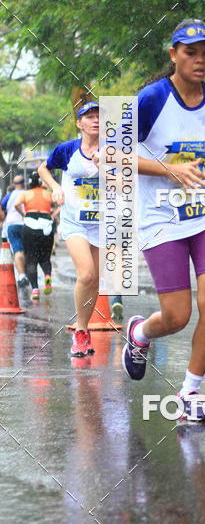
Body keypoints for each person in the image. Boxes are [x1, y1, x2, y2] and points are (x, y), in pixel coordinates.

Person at [121, 19, 205, 422]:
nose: (200, 60)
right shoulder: (150, 99)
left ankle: (189, 394)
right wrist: (169, 170)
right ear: (173, 54)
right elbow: (111, 158)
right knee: (177, 316)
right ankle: (140, 333)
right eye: (191, 52)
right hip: (160, 218)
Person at [38, 102, 101, 357]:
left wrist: (106, 165)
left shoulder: (114, 150)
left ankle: (84, 329)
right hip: (75, 220)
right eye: (89, 116)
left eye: (99, 116)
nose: (95, 120)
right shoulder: (67, 150)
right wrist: (55, 187)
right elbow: (43, 168)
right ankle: (80, 331)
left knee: (95, 278)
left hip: (103, 221)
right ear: (79, 123)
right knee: (86, 275)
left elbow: (126, 181)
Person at [13, 172, 56, 300]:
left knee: (31, 259)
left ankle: (35, 290)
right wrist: (52, 216)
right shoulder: (48, 194)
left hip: (30, 225)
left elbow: (16, 204)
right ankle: (47, 276)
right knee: (45, 257)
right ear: (40, 182)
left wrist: (24, 214)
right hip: (46, 226)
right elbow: (60, 203)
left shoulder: (25, 194)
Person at [1, 175, 28, 288]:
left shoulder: (9, 195)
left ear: (13, 184)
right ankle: (25, 274)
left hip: (12, 225)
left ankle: (22, 275)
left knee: (17, 250)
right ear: (24, 183)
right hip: (27, 224)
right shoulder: (28, 193)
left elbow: (1, 208)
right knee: (25, 250)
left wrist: (3, 219)